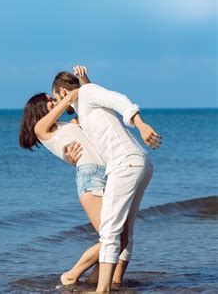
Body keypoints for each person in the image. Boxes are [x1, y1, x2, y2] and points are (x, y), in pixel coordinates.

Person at [18, 66, 132, 286]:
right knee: (110, 237)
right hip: (91, 180)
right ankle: (71, 275)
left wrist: (85, 81)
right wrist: (68, 95)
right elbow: (67, 103)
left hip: (109, 174)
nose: (54, 101)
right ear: (40, 108)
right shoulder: (42, 129)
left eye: (54, 97)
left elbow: (91, 105)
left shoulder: (69, 124)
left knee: (122, 239)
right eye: (49, 100)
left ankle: (91, 284)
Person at [52, 66, 161, 292]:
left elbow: (117, 99)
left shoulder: (87, 93)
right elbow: (97, 114)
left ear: (62, 92)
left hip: (125, 164)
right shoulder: (86, 104)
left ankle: (102, 291)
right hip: (140, 162)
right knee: (124, 232)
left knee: (110, 233)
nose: (58, 105)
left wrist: (140, 125)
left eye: (55, 97)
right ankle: (116, 283)